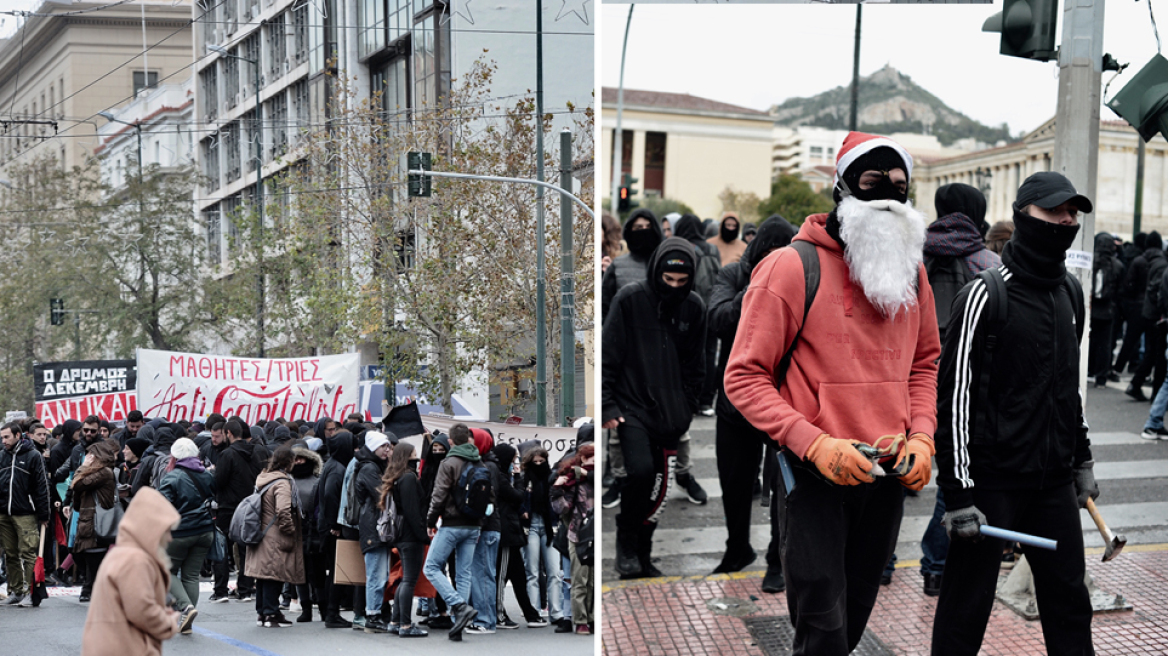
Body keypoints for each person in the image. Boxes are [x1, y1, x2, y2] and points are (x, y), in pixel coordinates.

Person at [724, 131, 940, 656]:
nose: (887, 196)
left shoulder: (913, 273)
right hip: (815, 475)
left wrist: (924, 436)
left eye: (899, 187)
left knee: (857, 611)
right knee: (821, 625)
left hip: (886, 474)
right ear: (842, 189)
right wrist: (814, 442)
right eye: (871, 184)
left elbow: (924, 363)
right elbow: (744, 376)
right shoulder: (790, 267)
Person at [932, 171, 1097, 655]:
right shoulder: (984, 294)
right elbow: (954, 399)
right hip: (992, 485)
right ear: (1024, 216)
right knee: (966, 608)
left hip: (1053, 484)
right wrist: (959, 495)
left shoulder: (1071, 292)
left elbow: (1067, 388)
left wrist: (1081, 459)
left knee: (1070, 602)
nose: (1065, 221)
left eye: (1072, 213)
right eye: (1054, 212)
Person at [915, 182, 1002, 597]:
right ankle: (935, 565)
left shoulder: (912, 256)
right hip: (963, 392)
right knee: (955, 473)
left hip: (908, 382)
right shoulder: (988, 264)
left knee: (894, 474)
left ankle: (880, 563)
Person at [603, 237, 707, 579]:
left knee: (659, 486)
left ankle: (642, 554)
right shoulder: (630, 299)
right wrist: (607, 404)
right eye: (668, 280)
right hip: (631, 406)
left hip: (672, 412)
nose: (674, 287)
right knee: (641, 473)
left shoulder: (694, 307)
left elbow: (697, 363)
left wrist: (688, 406)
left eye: (682, 281)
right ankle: (627, 544)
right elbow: (610, 352)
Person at [707, 216, 797, 586]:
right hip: (735, 400)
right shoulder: (733, 275)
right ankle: (737, 547)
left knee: (783, 484)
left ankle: (778, 559)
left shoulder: (800, 278)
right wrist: (758, 290)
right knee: (735, 482)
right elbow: (717, 319)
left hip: (783, 399)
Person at [80, 487, 181, 656]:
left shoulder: (124, 553)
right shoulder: (135, 559)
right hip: (124, 648)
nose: (170, 538)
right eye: (166, 530)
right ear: (151, 528)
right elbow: (141, 609)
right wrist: (167, 622)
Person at [421, 423, 488, 641]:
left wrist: (430, 520)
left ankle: (458, 606)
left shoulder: (449, 463)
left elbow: (438, 494)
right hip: (474, 524)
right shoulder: (479, 461)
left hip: (451, 523)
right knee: (463, 573)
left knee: (431, 567)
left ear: (450, 441)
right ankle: (459, 620)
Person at [155, 437, 215, 634]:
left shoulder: (172, 478)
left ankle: (186, 608)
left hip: (179, 532)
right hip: (205, 530)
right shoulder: (207, 475)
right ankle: (187, 619)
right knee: (191, 575)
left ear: (174, 456)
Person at [245, 444, 305, 628]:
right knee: (274, 574)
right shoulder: (282, 482)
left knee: (262, 575)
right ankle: (271, 613)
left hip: (262, 532)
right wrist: (290, 530)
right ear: (289, 463)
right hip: (275, 534)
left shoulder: (263, 478)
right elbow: (283, 510)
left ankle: (262, 613)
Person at [211, 420, 270, 603]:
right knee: (246, 548)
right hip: (250, 506)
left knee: (221, 548)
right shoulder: (257, 451)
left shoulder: (227, 454)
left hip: (228, 507)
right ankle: (244, 589)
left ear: (228, 433)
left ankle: (220, 590)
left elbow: (218, 482)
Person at [489, 442, 541, 628]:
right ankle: (498, 615)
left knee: (519, 576)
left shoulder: (502, 475)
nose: (515, 463)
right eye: (513, 460)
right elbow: (517, 496)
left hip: (511, 530)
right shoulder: (501, 478)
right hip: (505, 534)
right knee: (501, 576)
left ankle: (530, 613)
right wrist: (518, 477)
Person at [380, 442, 429, 637]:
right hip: (410, 535)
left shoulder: (397, 477)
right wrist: (422, 535)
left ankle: (395, 620)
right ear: (407, 455)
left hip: (401, 535)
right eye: (414, 452)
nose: (416, 454)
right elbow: (412, 510)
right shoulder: (408, 478)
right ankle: (406, 625)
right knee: (409, 579)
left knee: (404, 580)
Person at [0, 422, 51, 607]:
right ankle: (16, 591)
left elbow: (42, 486)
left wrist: (44, 514)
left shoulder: (33, 456)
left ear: (17, 435)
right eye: (2, 437)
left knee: (28, 553)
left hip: (26, 513)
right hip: (4, 512)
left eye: (6, 437)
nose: (3, 440)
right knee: (10, 554)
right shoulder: (2, 456)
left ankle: (31, 592)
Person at [68, 437, 121, 603]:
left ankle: (90, 587)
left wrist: (83, 467)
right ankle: (91, 586)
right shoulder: (91, 473)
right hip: (85, 518)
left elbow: (77, 485)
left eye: (91, 455)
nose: (88, 458)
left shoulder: (105, 472)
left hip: (97, 519)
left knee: (93, 555)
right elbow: (77, 492)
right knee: (81, 554)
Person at [550, 442, 595, 635]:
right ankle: (581, 620)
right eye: (593, 457)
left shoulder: (592, 477)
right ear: (584, 459)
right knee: (580, 580)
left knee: (592, 581)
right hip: (578, 535)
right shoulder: (572, 479)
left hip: (592, 533)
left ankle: (591, 617)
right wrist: (557, 491)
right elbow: (563, 508)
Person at [353, 431, 394, 633]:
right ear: (372, 448)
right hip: (373, 526)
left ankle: (375, 613)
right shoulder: (369, 468)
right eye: (383, 446)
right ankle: (372, 614)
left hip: (376, 525)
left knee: (380, 573)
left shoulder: (374, 466)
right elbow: (382, 494)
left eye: (388, 446)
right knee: (376, 574)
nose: (387, 450)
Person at [315, 429, 355, 627]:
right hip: (332, 527)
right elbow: (331, 495)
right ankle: (332, 613)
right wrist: (335, 524)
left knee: (335, 569)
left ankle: (331, 612)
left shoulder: (333, 464)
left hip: (327, 524)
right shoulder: (338, 468)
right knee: (337, 569)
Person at [467, 429, 501, 634]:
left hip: (486, 527)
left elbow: (487, 500)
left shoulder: (487, 467)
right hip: (487, 526)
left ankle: (485, 620)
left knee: (483, 574)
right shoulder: (488, 464)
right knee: (481, 573)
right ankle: (484, 618)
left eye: (472, 440)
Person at [601, 208, 664, 317]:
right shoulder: (617, 266)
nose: (644, 230)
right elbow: (606, 307)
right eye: (638, 227)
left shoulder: (664, 262)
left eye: (648, 227)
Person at [1127, 231, 1168, 401]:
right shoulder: (1162, 265)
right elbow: (1158, 292)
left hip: (1150, 313)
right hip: (1156, 316)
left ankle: (1137, 384)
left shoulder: (1156, 262)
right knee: (1157, 356)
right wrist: (1161, 311)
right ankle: (1153, 392)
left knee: (1152, 353)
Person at [289, 439, 324, 621]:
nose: (299, 462)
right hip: (295, 531)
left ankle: (323, 608)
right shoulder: (287, 481)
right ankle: (306, 608)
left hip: (313, 531)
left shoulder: (317, 481)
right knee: (298, 573)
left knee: (316, 572)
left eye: (302, 459)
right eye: (295, 459)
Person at [1115, 232, 1153, 376]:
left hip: (1134, 304)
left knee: (1130, 339)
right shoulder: (1155, 262)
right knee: (1149, 343)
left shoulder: (1137, 260)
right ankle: (1138, 368)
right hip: (1148, 304)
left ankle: (1118, 367)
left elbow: (1128, 284)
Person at [1090, 232, 1125, 388]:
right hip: (1108, 310)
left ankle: (1088, 369)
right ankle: (1101, 377)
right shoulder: (1117, 265)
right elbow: (1121, 290)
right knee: (1105, 344)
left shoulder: (1089, 261)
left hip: (1090, 308)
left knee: (1088, 340)